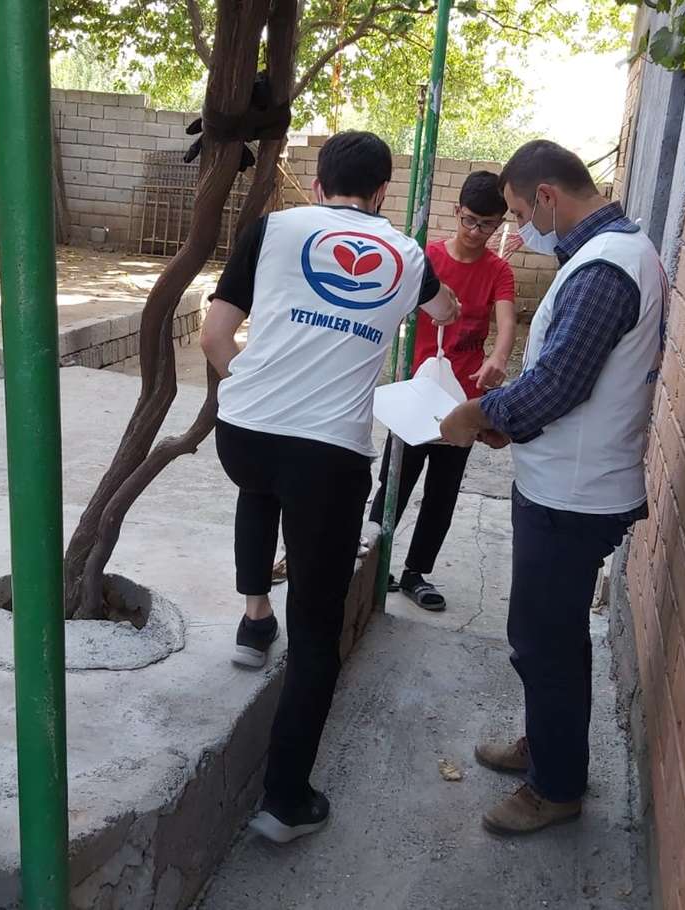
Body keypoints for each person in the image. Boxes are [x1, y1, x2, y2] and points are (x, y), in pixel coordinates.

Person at [200, 130, 460, 844]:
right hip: (328, 459)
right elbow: (445, 313)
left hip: (242, 434)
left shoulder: (272, 229)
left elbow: (214, 335)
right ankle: (285, 801)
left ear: (317, 186)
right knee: (317, 630)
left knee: (261, 487)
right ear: (382, 193)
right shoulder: (408, 255)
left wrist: (249, 389)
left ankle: (254, 622)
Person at [439, 140, 666, 837]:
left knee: (545, 640)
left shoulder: (607, 269)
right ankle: (548, 744)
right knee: (546, 633)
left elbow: (561, 382)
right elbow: (561, 379)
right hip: (565, 481)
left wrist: (480, 414)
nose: (516, 229)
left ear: (546, 196)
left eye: (516, 213)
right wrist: (509, 420)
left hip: (574, 495)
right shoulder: (609, 255)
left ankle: (556, 787)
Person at [368, 170, 518, 611]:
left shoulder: (499, 271)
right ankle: (373, 559)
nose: (475, 232)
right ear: (456, 212)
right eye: (469, 220)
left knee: (443, 489)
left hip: (462, 400)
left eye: (487, 225)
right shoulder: (426, 258)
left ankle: (416, 572)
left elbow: (507, 321)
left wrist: (498, 357)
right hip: (416, 393)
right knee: (395, 480)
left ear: (499, 225)